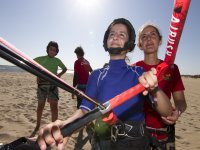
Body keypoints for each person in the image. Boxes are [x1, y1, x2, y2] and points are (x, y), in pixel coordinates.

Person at [37, 18, 172, 150]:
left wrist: (154, 89)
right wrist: (66, 125)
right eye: (111, 34)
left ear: (130, 45)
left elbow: (167, 111)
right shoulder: (96, 75)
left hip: (136, 144)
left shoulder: (138, 72)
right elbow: (84, 110)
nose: (115, 37)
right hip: (103, 143)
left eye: (122, 34)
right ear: (105, 41)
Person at [135, 23, 187, 149]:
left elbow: (181, 101)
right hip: (138, 135)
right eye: (144, 36)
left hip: (165, 134)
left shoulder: (172, 69)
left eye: (153, 34)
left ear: (160, 40)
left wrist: (177, 112)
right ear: (140, 45)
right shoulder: (133, 69)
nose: (148, 39)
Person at [30, 41, 67, 138]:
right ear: (47, 50)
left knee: (54, 107)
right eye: (50, 49)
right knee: (40, 106)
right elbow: (31, 62)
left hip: (53, 86)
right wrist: (37, 74)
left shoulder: (57, 60)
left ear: (56, 52)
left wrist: (58, 75)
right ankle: (38, 124)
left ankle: (54, 126)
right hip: (42, 85)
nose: (52, 51)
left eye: (54, 50)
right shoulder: (41, 59)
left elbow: (64, 68)